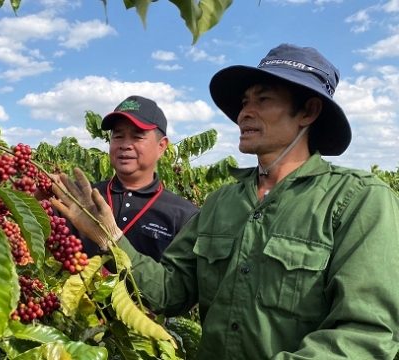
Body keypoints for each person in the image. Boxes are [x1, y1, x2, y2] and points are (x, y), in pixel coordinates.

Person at [51, 44, 399, 359]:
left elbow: (366, 334)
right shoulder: (222, 202)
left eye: (263, 100)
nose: (244, 113)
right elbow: (170, 291)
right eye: (245, 102)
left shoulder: (358, 200)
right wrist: (108, 235)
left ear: (308, 111)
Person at [64, 95, 199, 262]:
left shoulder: (184, 215)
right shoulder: (81, 198)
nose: (125, 145)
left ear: (161, 146)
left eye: (137, 137)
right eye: (118, 136)